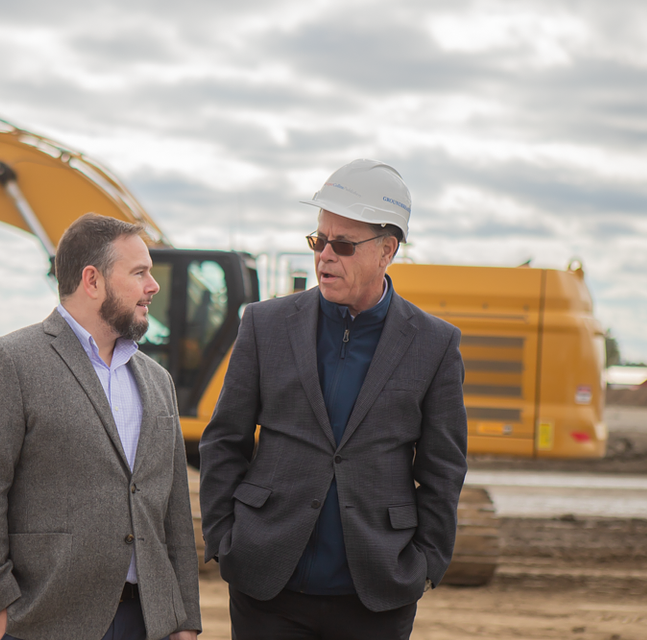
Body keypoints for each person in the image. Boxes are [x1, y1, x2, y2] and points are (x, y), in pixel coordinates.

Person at [199, 160, 468, 640]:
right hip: (266, 589)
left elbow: (443, 468)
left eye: (342, 245)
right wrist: (225, 539)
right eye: (318, 241)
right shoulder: (264, 325)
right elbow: (224, 440)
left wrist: (424, 562)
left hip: (377, 593)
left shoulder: (435, 344)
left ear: (387, 250)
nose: (324, 256)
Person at [0, 213, 201, 640]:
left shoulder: (158, 380)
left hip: (149, 623)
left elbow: (173, 507)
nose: (153, 286)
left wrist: (185, 619)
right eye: (139, 273)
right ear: (92, 280)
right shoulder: (9, 362)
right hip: (46, 620)